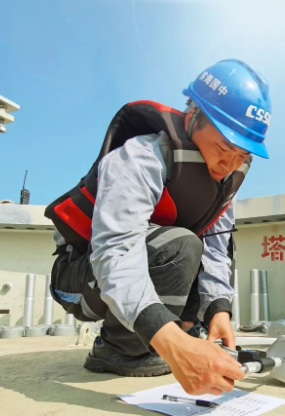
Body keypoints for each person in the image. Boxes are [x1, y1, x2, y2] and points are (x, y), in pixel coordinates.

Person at [44, 59, 272, 395]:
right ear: (193, 115)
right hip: (82, 277)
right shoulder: (141, 157)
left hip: (145, 264)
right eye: (224, 148)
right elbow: (115, 253)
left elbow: (216, 247)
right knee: (182, 245)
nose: (229, 164)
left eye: (242, 155)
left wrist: (218, 311)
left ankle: (176, 332)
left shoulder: (226, 180)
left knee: (197, 248)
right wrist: (173, 345)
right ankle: (119, 349)